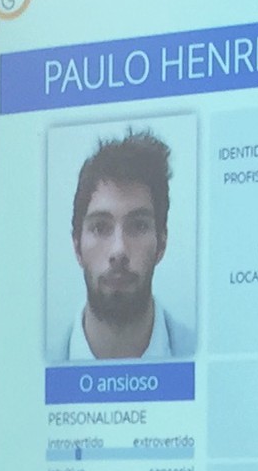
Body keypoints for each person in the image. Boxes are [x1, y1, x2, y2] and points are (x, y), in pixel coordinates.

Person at [56, 129, 194, 361]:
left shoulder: (200, 352)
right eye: (100, 227)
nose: (118, 250)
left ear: (161, 243)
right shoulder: (30, 361)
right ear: (77, 246)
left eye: (138, 226)